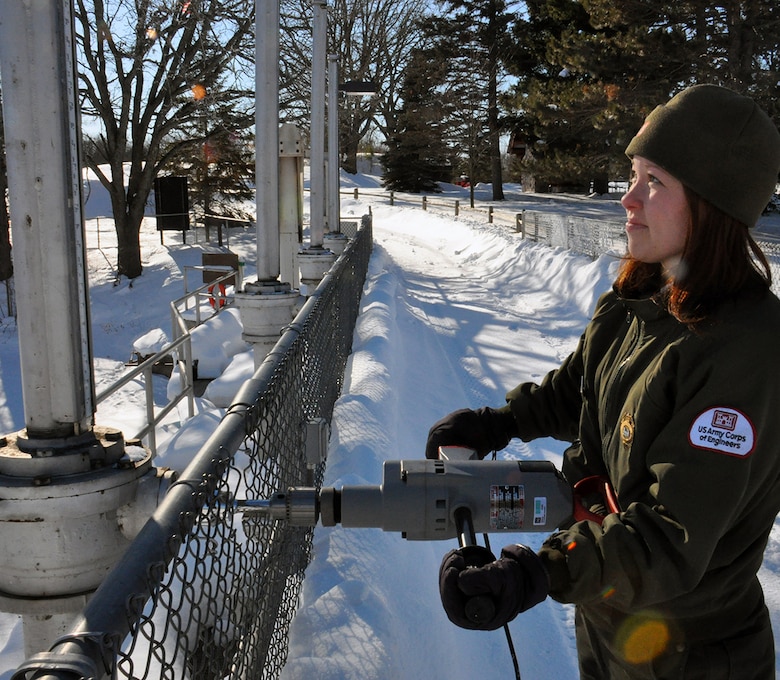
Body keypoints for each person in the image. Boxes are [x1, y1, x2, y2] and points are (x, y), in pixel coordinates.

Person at [427, 84, 780, 679]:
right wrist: (504, 422)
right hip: (612, 619)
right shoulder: (644, 293)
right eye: (633, 175)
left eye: (655, 182)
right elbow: (583, 389)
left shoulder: (746, 349)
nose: (628, 199)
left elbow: (669, 535)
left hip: (690, 652)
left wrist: (537, 572)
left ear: (713, 204)